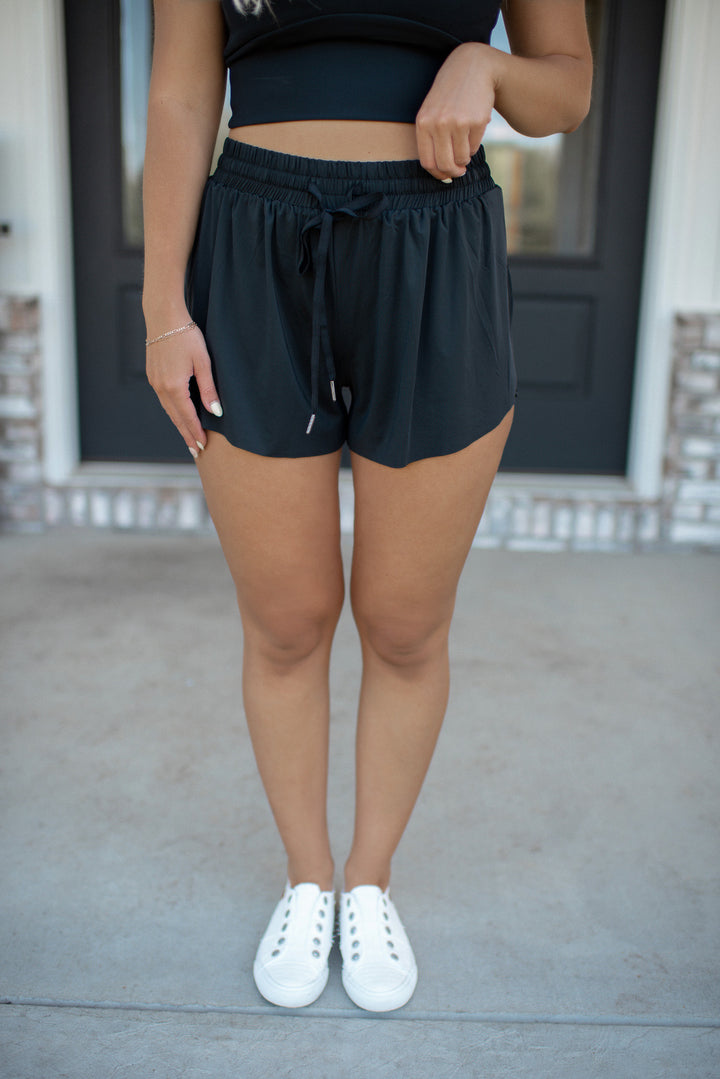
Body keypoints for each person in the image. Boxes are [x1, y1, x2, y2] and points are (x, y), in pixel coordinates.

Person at [143, 0, 592, 1013]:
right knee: (287, 620)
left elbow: (567, 87)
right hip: (251, 243)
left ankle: (369, 881)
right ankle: (308, 878)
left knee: (403, 623)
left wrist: (488, 67)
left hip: (435, 242)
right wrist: (163, 306)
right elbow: (179, 92)